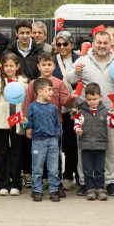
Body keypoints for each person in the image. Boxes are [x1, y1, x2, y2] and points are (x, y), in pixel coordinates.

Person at [65, 30, 114, 196]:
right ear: (93, 43)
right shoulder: (82, 60)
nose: (102, 46)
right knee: (84, 150)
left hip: (111, 113)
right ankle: (85, 182)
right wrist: (77, 72)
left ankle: (110, 182)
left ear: (111, 44)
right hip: (87, 115)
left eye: (105, 43)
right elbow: (70, 79)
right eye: (99, 42)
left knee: (113, 149)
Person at [23, 52, 72, 196]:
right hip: (38, 128)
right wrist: (28, 126)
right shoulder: (33, 84)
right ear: (38, 66)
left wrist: (72, 98)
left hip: (55, 126)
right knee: (38, 158)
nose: (46, 67)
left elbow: (64, 102)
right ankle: (41, 182)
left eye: (49, 64)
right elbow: (28, 105)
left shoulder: (59, 82)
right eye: (43, 65)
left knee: (55, 157)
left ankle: (57, 184)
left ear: (54, 66)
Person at [74, 82, 114, 201]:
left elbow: (113, 124)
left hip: (100, 145)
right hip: (86, 145)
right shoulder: (81, 111)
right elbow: (77, 123)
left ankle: (100, 188)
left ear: (100, 97)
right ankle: (90, 189)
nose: (92, 101)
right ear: (85, 98)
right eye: (89, 99)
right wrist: (78, 129)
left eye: (95, 99)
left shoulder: (106, 111)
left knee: (100, 169)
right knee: (87, 169)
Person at [0, 52, 28, 195]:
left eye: (11, 66)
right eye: (6, 66)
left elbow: (26, 101)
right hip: (2, 121)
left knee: (16, 152)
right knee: (2, 151)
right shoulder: (0, 81)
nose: (9, 68)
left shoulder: (24, 82)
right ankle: (3, 183)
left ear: (17, 66)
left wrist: (24, 116)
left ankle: (15, 183)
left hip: (17, 120)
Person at [51, 30, 80, 189]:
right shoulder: (51, 60)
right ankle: (55, 175)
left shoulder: (79, 60)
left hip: (73, 107)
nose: (62, 47)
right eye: (58, 44)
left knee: (70, 143)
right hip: (55, 107)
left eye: (65, 44)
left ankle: (69, 174)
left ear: (72, 45)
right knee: (55, 143)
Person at [26, 77, 62, 202]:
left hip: (52, 142)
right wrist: (27, 127)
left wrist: (56, 136)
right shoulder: (32, 107)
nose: (52, 93)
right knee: (37, 168)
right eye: (49, 90)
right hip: (38, 142)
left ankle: (54, 190)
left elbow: (57, 123)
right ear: (40, 92)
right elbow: (29, 121)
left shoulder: (52, 107)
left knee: (53, 169)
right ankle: (37, 190)